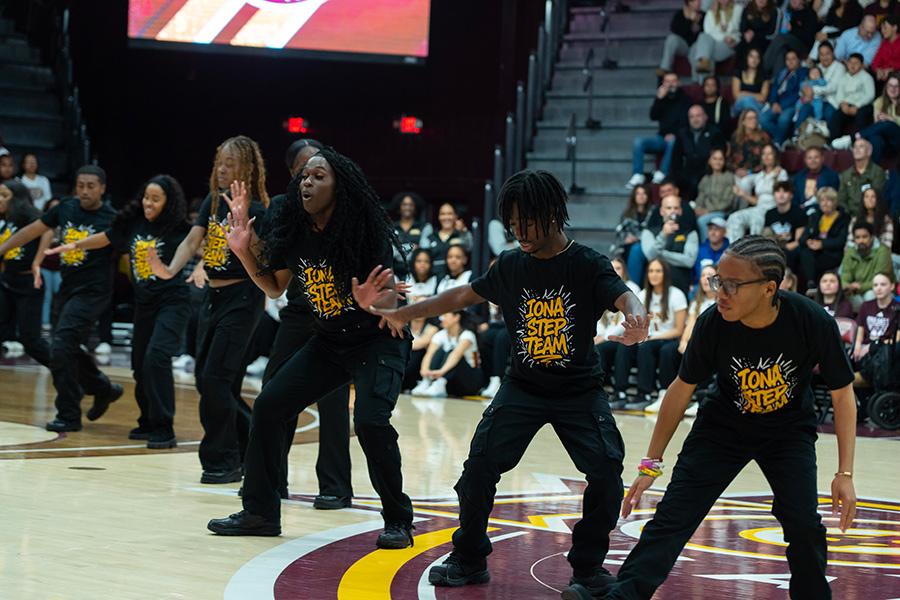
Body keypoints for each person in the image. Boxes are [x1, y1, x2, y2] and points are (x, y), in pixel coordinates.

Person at [355, 169, 648, 594]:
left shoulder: (587, 263)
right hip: (522, 388)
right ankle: (469, 556)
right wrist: (403, 313)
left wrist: (636, 316)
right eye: (512, 224)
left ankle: (588, 569)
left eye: (526, 222)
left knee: (606, 472)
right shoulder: (510, 265)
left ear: (552, 215)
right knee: (478, 469)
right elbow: (460, 295)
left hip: (578, 391)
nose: (518, 232)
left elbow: (625, 296)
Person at [569, 235, 859, 600]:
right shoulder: (713, 323)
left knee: (803, 524)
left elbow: (842, 394)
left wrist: (844, 473)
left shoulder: (810, 320)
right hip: (722, 429)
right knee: (674, 515)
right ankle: (624, 595)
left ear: (769, 288)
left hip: (787, 434)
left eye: (733, 285)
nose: (721, 293)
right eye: (718, 281)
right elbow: (680, 389)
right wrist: (650, 463)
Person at [207, 147, 416, 549]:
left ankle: (398, 520)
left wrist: (374, 301)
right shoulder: (296, 228)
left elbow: (391, 301)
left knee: (370, 423)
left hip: (377, 341)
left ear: (340, 187)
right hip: (330, 341)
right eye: (304, 176)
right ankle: (260, 512)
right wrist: (243, 250)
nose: (307, 182)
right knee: (269, 406)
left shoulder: (365, 230)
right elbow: (273, 286)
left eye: (319, 177)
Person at [148, 135, 268, 484]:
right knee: (210, 380)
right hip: (213, 299)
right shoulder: (212, 202)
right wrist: (170, 269)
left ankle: (222, 459)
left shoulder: (260, 209)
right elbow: (192, 240)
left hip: (243, 298)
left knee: (215, 380)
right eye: (219, 163)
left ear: (247, 168)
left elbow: (265, 260)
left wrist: (244, 222)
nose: (221, 169)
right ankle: (254, 448)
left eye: (230, 163)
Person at [44, 175, 191, 448]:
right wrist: (75, 244)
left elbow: (199, 245)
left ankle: (164, 427)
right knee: (139, 365)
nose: (148, 203)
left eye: (155, 199)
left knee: (156, 358)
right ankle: (148, 420)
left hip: (173, 302)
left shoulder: (180, 228)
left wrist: (203, 267)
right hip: (145, 303)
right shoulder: (133, 222)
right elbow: (105, 238)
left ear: (169, 203)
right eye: (146, 197)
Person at [260, 138, 353, 509]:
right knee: (272, 392)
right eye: (304, 170)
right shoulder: (283, 208)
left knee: (333, 399)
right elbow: (274, 269)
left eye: (319, 169)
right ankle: (270, 482)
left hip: (336, 314)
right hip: (299, 310)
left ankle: (335, 486)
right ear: (293, 173)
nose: (310, 177)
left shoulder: (344, 207)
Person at [0, 165, 122, 431]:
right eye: (80, 186)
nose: (85, 191)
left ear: (102, 188)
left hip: (93, 293)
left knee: (61, 347)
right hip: (67, 290)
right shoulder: (66, 207)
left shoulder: (112, 218)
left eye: (91, 186)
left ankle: (68, 414)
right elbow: (32, 230)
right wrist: (3, 248)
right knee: (66, 348)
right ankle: (103, 388)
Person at [645, 263, 719, 414]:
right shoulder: (697, 302)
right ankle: (664, 394)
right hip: (695, 341)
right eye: (703, 275)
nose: (706, 279)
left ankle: (702, 399)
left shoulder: (722, 301)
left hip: (713, 343)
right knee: (667, 350)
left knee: (702, 352)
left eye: (710, 275)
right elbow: (690, 324)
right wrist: (684, 341)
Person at [620, 259, 688, 411]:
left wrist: (653, 337)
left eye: (658, 271)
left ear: (665, 274)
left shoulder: (676, 295)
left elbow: (678, 330)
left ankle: (658, 394)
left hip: (671, 338)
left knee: (661, 350)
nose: (654, 274)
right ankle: (625, 393)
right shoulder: (643, 295)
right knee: (625, 346)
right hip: (650, 338)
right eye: (651, 271)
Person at [0, 180, 53, 368]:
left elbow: (48, 231)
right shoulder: (7, 220)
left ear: (18, 198)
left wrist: (37, 261)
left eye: (4, 195)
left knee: (31, 340)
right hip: (7, 281)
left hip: (28, 282)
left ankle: (64, 369)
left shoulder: (27, 215)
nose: (0, 199)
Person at [627, 72, 691, 188]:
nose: (670, 84)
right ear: (662, 84)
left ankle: (662, 173)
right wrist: (659, 99)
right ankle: (638, 175)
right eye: (667, 81)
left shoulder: (685, 100)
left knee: (672, 140)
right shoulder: (662, 99)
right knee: (638, 141)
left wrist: (674, 134)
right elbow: (653, 116)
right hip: (661, 137)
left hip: (678, 139)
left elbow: (685, 123)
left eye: (673, 81)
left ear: (679, 83)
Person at [410, 310, 483, 398]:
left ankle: (439, 383)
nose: (441, 319)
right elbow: (429, 354)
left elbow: (456, 354)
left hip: (470, 380)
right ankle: (427, 382)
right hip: (450, 381)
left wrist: (441, 372)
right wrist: (424, 370)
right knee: (439, 351)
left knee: (451, 351)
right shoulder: (440, 334)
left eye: (445, 316)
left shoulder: (467, 335)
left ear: (456, 317)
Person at [728, 143, 789, 240]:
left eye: (770, 154)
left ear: (775, 156)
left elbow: (783, 196)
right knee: (734, 217)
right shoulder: (759, 176)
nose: (766, 157)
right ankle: (735, 248)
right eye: (764, 154)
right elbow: (757, 201)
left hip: (773, 210)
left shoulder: (781, 173)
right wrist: (743, 194)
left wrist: (774, 177)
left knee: (756, 219)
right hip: (759, 209)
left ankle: (755, 249)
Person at [640, 194, 699, 294]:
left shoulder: (690, 233)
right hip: (653, 289)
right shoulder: (648, 232)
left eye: (676, 208)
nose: (673, 211)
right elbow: (651, 256)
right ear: (661, 211)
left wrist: (661, 254)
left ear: (680, 211)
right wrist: (663, 234)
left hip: (680, 286)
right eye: (669, 208)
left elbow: (689, 261)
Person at [796, 186, 851, 291]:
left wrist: (822, 244)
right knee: (803, 253)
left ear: (835, 202)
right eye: (822, 200)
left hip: (832, 254)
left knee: (809, 262)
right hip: (814, 253)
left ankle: (813, 286)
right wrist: (808, 242)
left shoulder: (843, 218)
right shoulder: (815, 216)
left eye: (828, 200)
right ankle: (811, 284)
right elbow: (802, 238)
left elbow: (841, 241)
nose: (825, 203)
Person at [842, 73, 900, 162]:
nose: (892, 89)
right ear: (886, 86)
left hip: (897, 139)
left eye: (896, 86)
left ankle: (854, 138)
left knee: (888, 124)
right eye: (890, 85)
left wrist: (891, 119)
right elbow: (876, 125)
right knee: (876, 138)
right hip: (886, 142)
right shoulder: (879, 101)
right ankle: (873, 169)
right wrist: (882, 120)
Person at [676, 104, 726, 200]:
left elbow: (719, 156)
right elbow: (676, 159)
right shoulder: (682, 134)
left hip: (707, 171)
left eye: (698, 115)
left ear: (705, 117)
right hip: (687, 172)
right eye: (692, 117)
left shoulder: (715, 133)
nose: (695, 119)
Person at [840, 221, 894, 309]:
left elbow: (881, 279)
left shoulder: (883, 251)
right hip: (855, 291)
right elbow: (845, 276)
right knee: (843, 295)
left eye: (865, 237)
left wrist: (860, 287)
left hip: (876, 288)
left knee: (870, 295)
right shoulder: (850, 251)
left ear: (872, 237)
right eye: (857, 237)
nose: (861, 240)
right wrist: (848, 286)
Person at [759, 50, 808, 144]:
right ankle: (782, 139)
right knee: (762, 118)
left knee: (783, 118)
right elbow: (774, 88)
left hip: (793, 105)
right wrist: (774, 102)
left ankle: (777, 143)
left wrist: (782, 106)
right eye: (788, 59)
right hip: (777, 104)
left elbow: (799, 93)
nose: (790, 61)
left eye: (793, 59)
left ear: (799, 60)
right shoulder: (782, 72)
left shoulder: (803, 72)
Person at [762, 0, 818, 76]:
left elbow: (809, 37)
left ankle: (761, 70)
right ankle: (777, 81)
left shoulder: (810, 14)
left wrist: (793, 29)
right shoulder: (788, 12)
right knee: (781, 52)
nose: (793, 0)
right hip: (787, 44)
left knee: (781, 38)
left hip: (803, 47)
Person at [852, 271, 899, 362]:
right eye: (875, 285)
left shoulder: (897, 308)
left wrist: (873, 347)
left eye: (883, 284)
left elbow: (898, 338)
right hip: (865, 347)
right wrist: (857, 347)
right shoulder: (866, 306)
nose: (878, 288)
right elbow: (860, 329)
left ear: (892, 286)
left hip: (887, 350)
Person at [795, 42, 846, 125]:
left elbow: (832, 87)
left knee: (829, 113)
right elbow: (807, 83)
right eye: (821, 54)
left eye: (827, 54)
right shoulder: (817, 67)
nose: (824, 57)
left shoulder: (839, 67)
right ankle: (797, 132)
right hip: (813, 100)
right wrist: (804, 93)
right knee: (804, 109)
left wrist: (812, 90)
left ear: (833, 53)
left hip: (831, 101)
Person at [420, 202, 473, 280]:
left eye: (449, 214)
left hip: (457, 280)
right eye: (443, 214)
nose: (446, 217)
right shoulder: (432, 236)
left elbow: (470, 247)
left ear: (456, 216)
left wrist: (463, 231)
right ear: (438, 217)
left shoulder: (461, 235)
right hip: (432, 280)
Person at [837, 137, 887, 216]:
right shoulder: (846, 174)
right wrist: (848, 216)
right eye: (855, 147)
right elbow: (841, 200)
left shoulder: (877, 172)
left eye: (861, 146)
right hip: (849, 216)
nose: (857, 149)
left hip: (870, 216)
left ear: (869, 151)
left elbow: (877, 198)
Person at [694, 148, 736, 238]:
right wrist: (698, 209)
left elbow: (728, 202)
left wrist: (708, 211)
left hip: (723, 212)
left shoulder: (729, 177)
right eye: (715, 159)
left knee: (701, 221)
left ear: (724, 161)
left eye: (720, 159)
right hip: (706, 212)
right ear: (709, 161)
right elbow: (700, 198)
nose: (717, 162)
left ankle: (706, 245)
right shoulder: (705, 179)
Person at [693, 0, 743, 75]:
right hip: (714, 42)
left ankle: (701, 78)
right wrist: (723, 35)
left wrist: (725, 33)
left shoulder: (738, 9)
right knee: (703, 40)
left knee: (700, 51)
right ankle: (705, 76)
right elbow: (708, 31)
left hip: (729, 43)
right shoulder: (712, 10)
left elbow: (736, 29)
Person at [763, 181, 807, 264]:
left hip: (791, 251)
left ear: (791, 195)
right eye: (778, 191)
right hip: (773, 249)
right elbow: (766, 238)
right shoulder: (769, 213)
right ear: (774, 195)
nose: (781, 195)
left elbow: (799, 241)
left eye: (785, 191)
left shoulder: (799, 213)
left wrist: (783, 248)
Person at [390, 191, 432, 278]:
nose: (407, 207)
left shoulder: (424, 227)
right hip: (395, 272)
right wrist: (412, 247)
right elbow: (390, 251)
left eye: (411, 205)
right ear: (399, 207)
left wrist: (399, 248)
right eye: (404, 204)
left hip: (418, 273)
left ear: (415, 207)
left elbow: (425, 248)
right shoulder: (391, 227)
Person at [658, 0, 705, 76]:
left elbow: (705, 34)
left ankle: (696, 81)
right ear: (689, 3)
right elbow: (676, 30)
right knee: (672, 39)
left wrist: (697, 23)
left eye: (699, 1)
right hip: (684, 45)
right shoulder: (680, 14)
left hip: (697, 46)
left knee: (698, 48)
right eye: (696, 1)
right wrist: (689, 21)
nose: (699, 3)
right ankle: (664, 69)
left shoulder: (704, 15)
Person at [618, 185, 653, 283]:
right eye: (638, 193)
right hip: (628, 246)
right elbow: (620, 231)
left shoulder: (653, 212)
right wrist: (626, 238)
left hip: (648, 245)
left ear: (648, 196)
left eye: (644, 193)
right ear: (634, 196)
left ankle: (634, 285)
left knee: (636, 249)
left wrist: (638, 238)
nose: (641, 196)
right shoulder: (627, 213)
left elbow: (653, 231)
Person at [735, 0, 778, 68]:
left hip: (763, 39)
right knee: (740, 47)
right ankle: (740, 71)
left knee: (754, 47)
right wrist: (746, 33)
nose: (761, 0)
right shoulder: (748, 8)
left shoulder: (773, 11)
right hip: (748, 38)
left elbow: (771, 31)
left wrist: (754, 33)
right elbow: (742, 26)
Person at [728, 109, 771, 177]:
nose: (754, 120)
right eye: (750, 118)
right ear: (743, 121)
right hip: (739, 172)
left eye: (755, 118)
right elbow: (730, 158)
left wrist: (750, 172)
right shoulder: (736, 136)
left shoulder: (763, 136)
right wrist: (736, 170)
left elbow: (770, 157)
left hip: (758, 173)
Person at [730, 47, 771, 116]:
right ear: (746, 58)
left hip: (758, 105)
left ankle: (755, 119)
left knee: (748, 101)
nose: (754, 60)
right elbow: (736, 95)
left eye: (757, 57)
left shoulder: (764, 76)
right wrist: (755, 96)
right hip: (739, 105)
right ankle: (760, 120)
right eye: (751, 56)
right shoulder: (738, 73)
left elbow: (763, 98)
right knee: (747, 101)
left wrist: (744, 93)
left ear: (760, 60)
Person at [695, 217, 730, 284]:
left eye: (716, 229)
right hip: (702, 285)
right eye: (710, 229)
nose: (713, 233)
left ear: (724, 232)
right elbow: (695, 273)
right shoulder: (701, 249)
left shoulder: (730, 251)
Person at [872, 15, 900, 79]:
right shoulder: (884, 43)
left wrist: (891, 70)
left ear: (894, 28)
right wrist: (878, 70)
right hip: (884, 75)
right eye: (881, 28)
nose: (882, 31)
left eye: (885, 28)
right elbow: (875, 62)